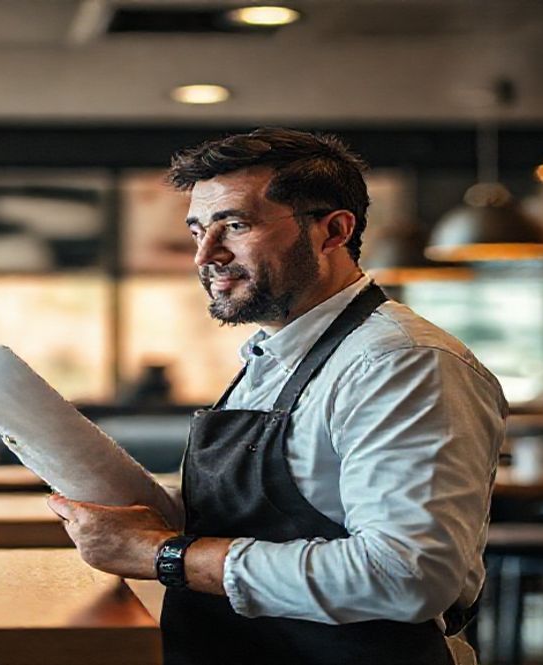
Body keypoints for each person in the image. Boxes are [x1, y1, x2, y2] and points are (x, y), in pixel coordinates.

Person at [48, 127, 507, 665]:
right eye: (197, 230)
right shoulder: (275, 354)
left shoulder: (401, 362)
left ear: (333, 231)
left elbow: (404, 577)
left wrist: (163, 555)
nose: (205, 256)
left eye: (235, 226)